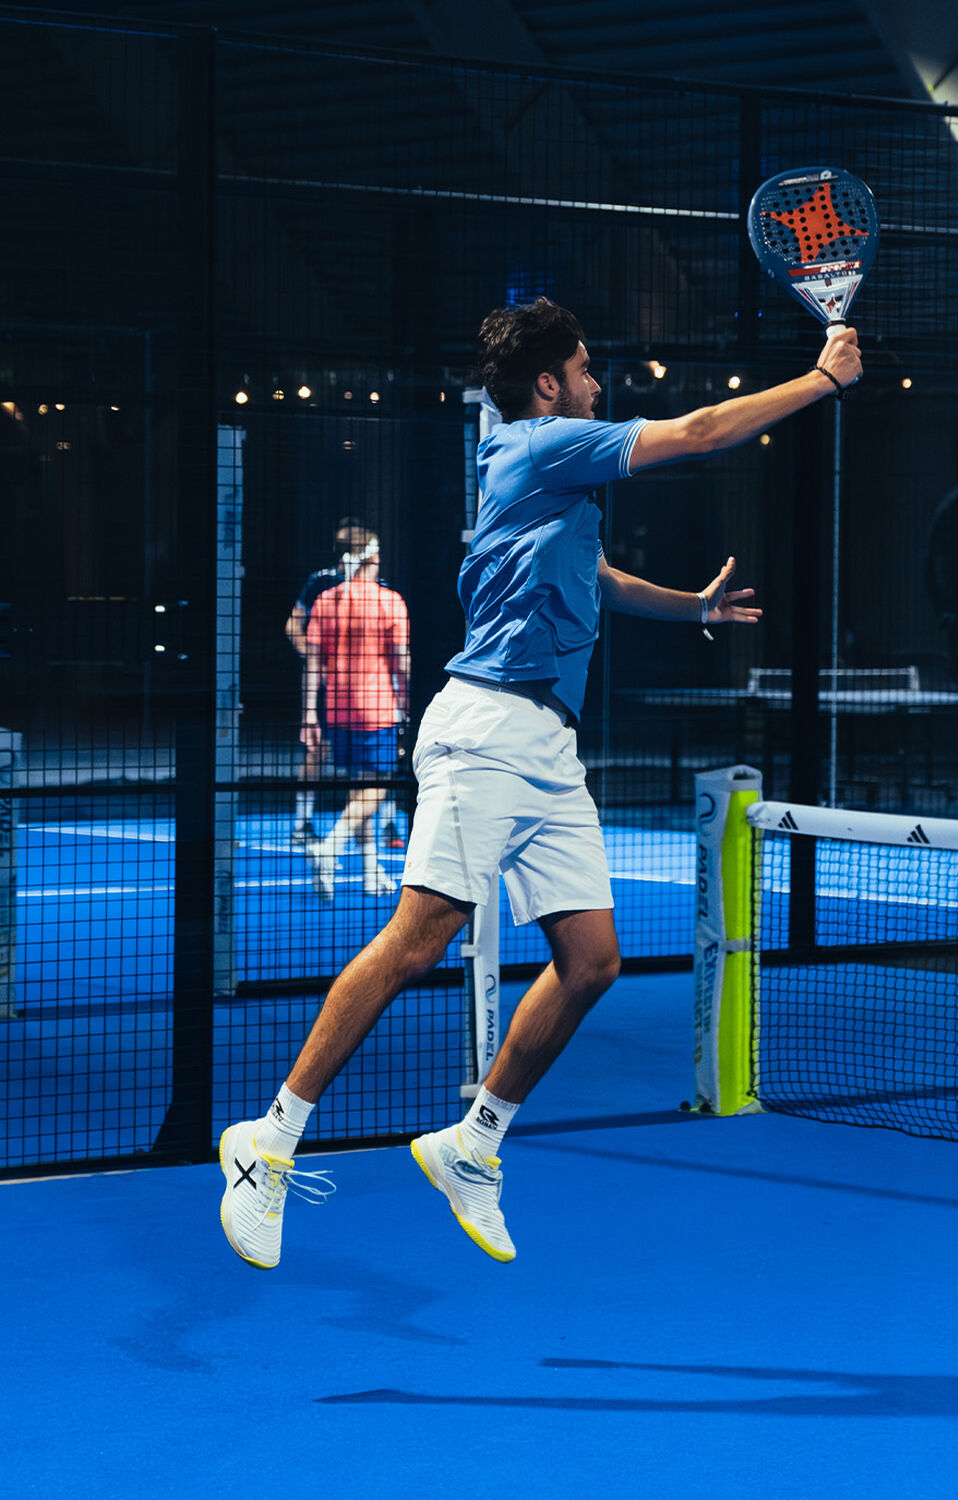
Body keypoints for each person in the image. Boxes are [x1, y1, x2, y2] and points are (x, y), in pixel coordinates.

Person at [219, 296, 862, 1270]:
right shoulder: (543, 443)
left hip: (549, 748)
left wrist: (691, 606)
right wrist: (820, 379)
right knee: (419, 939)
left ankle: (472, 1144)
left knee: (593, 960)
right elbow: (696, 432)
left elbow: (598, 577)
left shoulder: (549, 479)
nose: (601, 384)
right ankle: (267, 1143)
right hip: (484, 731)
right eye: (588, 369)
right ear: (551, 385)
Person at [302, 524, 410, 900]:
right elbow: (401, 661)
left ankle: (370, 871)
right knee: (378, 786)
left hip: (337, 708)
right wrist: (407, 700)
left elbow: (313, 663)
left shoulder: (325, 601)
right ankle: (330, 846)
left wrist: (309, 714)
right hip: (377, 709)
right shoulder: (390, 601)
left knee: (358, 788)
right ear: (374, 557)